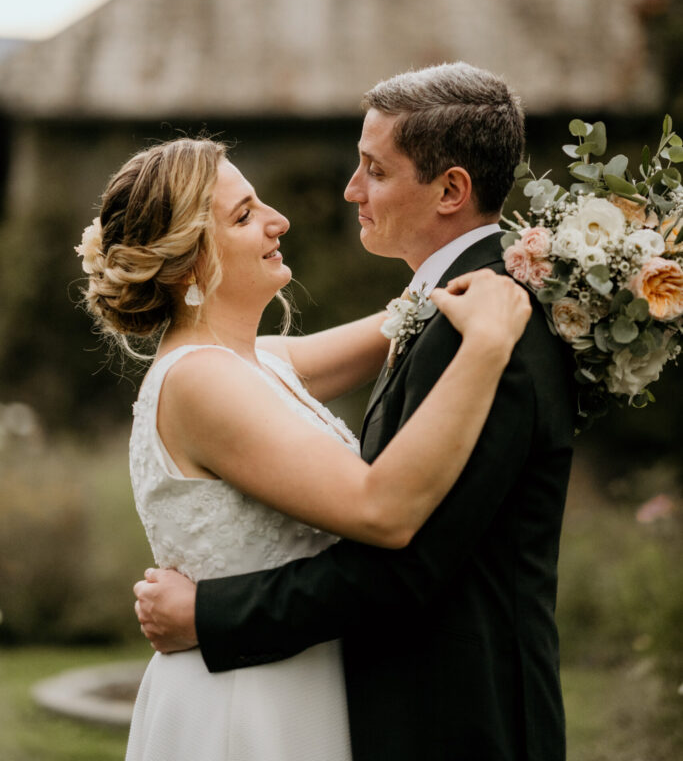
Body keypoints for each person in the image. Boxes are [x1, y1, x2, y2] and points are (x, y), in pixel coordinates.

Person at [135, 62, 578, 761]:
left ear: (450, 190)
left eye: (372, 169)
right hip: (267, 705)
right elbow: (407, 321)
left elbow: (407, 556)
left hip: (462, 717)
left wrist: (209, 613)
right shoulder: (462, 322)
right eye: (245, 215)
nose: (347, 191)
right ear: (192, 258)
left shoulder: (487, 324)